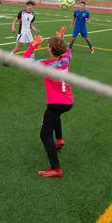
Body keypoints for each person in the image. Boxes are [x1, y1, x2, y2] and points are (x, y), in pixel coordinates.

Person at [23, 28, 73, 178]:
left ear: (50, 49)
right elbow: (67, 51)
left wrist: (32, 46)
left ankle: (56, 169)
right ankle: (59, 139)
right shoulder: (65, 59)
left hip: (56, 103)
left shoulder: (45, 64)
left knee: (44, 134)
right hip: (67, 101)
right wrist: (60, 38)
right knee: (53, 116)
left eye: (49, 45)